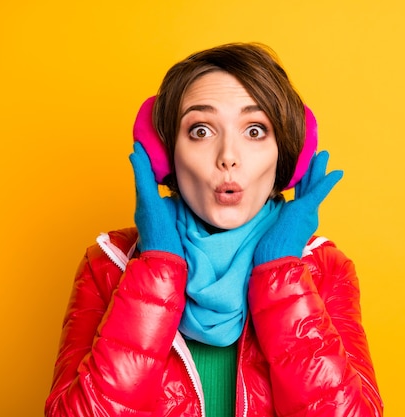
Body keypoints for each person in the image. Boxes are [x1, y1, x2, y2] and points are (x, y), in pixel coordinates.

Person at [45, 42, 383, 417]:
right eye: (201, 130)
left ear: (287, 155)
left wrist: (282, 274)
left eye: (255, 130)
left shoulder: (325, 269)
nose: (228, 156)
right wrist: (157, 269)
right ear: (163, 154)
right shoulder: (107, 266)